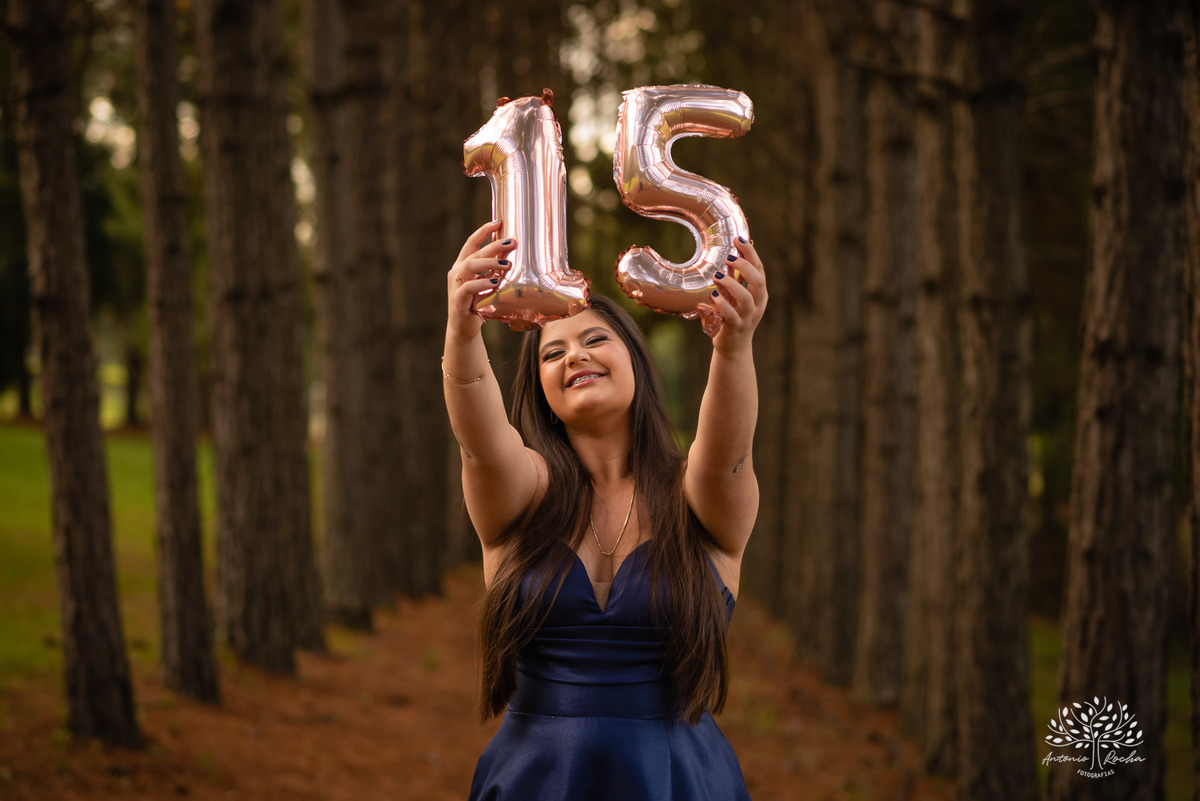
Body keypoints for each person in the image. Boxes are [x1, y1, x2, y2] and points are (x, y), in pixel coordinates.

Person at [443, 219, 766, 800]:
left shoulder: (694, 495)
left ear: (635, 361)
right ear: (541, 388)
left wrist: (733, 347)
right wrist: (462, 331)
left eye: (595, 340)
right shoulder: (525, 494)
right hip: (535, 780)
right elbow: (480, 445)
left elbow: (728, 458)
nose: (574, 356)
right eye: (553, 353)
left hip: (677, 779)